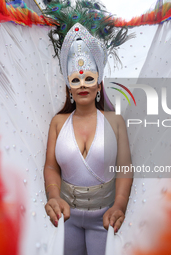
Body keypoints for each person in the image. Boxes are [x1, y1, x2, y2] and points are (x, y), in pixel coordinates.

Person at [42, 2, 134, 254]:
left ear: (99, 83)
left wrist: (120, 206)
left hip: (105, 219)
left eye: (89, 78)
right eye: (75, 79)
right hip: (66, 217)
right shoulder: (58, 123)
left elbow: (125, 167)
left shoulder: (115, 122)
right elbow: (51, 166)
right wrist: (53, 195)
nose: (82, 84)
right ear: (69, 86)